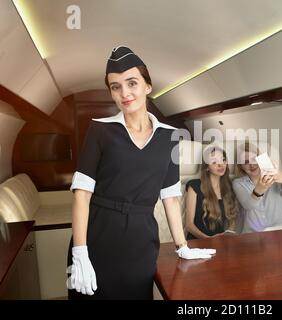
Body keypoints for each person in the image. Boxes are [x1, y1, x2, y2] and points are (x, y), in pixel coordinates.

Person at [67, 46, 215, 300]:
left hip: (141, 241)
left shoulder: (169, 136)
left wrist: (182, 246)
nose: (124, 93)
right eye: (115, 87)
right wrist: (80, 252)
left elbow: (170, 197)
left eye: (132, 83)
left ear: (147, 86)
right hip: (98, 237)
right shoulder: (100, 131)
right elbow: (81, 195)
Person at [232, 142, 282, 233]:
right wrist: (260, 189)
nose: (252, 165)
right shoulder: (238, 183)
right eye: (246, 162)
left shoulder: (272, 174)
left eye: (254, 159)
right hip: (255, 234)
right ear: (241, 167)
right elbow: (248, 205)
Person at [185, 146, 239, 239]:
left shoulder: (230, 186)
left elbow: (232, 220)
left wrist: (228, 235)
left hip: (221, 244)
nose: (220, 165)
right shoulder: (194, 186)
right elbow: (189, 225)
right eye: (214, 162)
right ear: (207, 167)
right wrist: (208, 239)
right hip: (198, 243)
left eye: (223, 160)